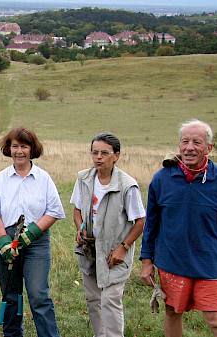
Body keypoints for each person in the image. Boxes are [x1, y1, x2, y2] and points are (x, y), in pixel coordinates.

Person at [139, 119, 217, 337]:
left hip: (209, 263)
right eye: (185, 141)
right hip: (171, 261)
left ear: (209, 148)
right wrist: (147, 262)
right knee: (173, 312)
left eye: (197, 142)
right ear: (179, 146)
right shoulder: (161, 179)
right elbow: (151, 224)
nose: (189, 147)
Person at [0, 127, 64, 337]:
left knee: (38, 295)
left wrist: (32, 233)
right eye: (14, 146)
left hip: (35, 242)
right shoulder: (1, 178)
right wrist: (3, 241)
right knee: (11, 295)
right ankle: (13, 334)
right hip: (4, 240)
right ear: (8, 149)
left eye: (24, 146)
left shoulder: (43, 178)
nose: (19, 151)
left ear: (32, 149)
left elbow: (53, 211)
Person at [71, 133, 145, 337]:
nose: (98, 157)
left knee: (110, 300)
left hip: (114, 253)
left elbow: (140, 222)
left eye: (104, 153)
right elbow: (77, 210)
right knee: (93, 299)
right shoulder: (84, 178)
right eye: (95, 152)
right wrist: (80, 229)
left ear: (116, 156)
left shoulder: (127, 185)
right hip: (89, 249)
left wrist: (123, 248)